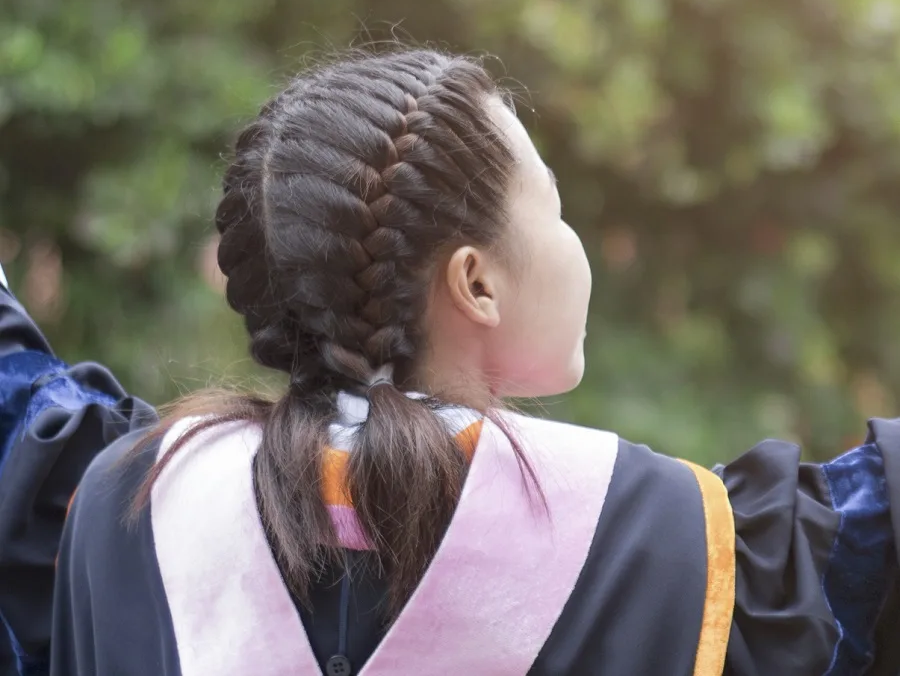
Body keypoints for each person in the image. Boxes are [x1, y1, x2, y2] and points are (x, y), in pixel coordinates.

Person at [0, 49, 899, 676]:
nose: (574, 239)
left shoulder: (127, 506)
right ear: (476, 283)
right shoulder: (674, 543)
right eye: (556, 207)